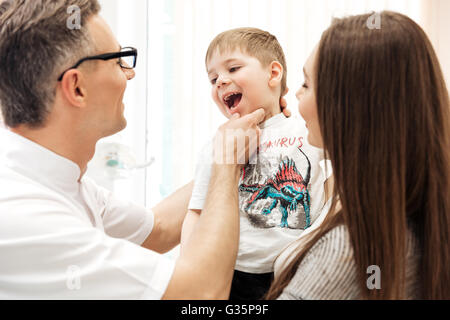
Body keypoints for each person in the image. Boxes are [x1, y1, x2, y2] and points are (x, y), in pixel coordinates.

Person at [0, 0, 266, 299]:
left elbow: (159, 230)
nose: (130, 74)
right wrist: (225, 161)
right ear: (77, 88)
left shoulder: (63, 182)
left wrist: (261, 138)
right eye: (118, 60)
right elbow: (201, 295)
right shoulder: (26, 217)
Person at [266, 11, 450, 300]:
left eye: (306, 84)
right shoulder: (420, 216)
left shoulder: (345, 251)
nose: (295, 97)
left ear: (349, 109)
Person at [180, 28, 328, 300]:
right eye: (213, 79)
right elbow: (196, 211)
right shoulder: (217, 145)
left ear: (273, 74)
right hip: (232, 272)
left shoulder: (309, 133)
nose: (221, 81)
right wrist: (189, 263)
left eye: (233, 69)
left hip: (294, 269)